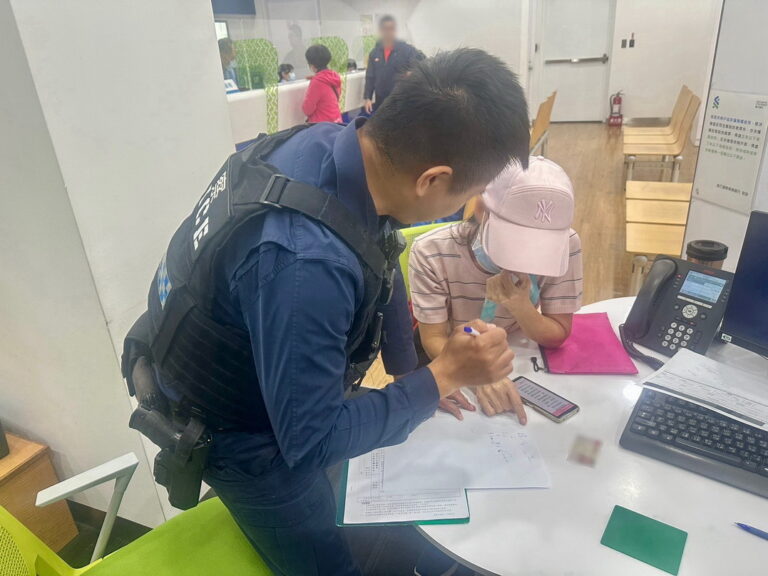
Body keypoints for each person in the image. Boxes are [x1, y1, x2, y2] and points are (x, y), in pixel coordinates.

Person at [131, 48, 530, 576]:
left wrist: (411, 372)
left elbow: (379, 250)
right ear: (432, 180)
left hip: (261, 370)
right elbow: (310, 441)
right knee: (327, 564)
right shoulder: (305, 263)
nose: (466, 207)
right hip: (237, 433)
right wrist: (444, 376)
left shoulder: (339, 148)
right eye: (471, 194)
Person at [410, 156, 583, 420]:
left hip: (515, 354)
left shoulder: (567, 245)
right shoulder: (432, 252)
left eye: (539, 249)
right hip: (455, 345)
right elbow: (434, 336)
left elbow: (558, 332)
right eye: (516, 244)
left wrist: (521, 306)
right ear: (481, 208)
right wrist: (478, 373)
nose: (524, 260)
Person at [363, 15, 424, 113]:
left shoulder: (406, 50)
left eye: (391, 29)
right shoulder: (374, 53)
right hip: (381, 100)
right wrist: (368, 97)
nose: (388, 32)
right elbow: (370, 77)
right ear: (381, 31)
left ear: (395, 31)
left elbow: (422, 61)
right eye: (385, 29)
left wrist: (412, 72)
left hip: (401, 99)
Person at [302, 45, 342, 123]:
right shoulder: (334, 76)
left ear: (311, 65)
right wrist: (315, 78)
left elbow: (307, 109)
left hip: (322, 125)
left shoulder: (317, 82)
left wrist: (315, 80)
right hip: (336, 121)